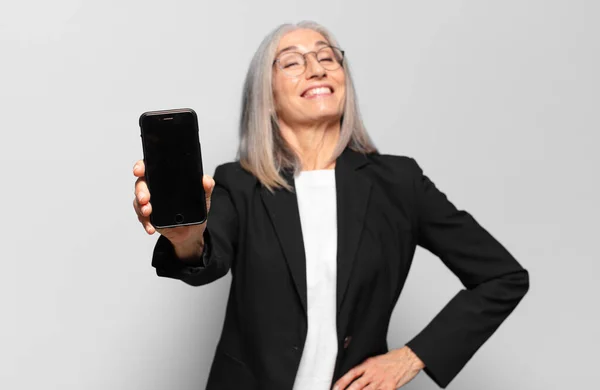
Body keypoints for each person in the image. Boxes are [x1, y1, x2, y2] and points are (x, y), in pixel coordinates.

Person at [132, 21, 529, 390]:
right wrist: (186, 238)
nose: (317, 68)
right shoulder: (238, 182)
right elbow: (206, 264)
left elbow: (503, 276)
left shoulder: (399, 183)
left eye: (327, 57)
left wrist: (412, 357)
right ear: (265, 96)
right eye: (292, 61)